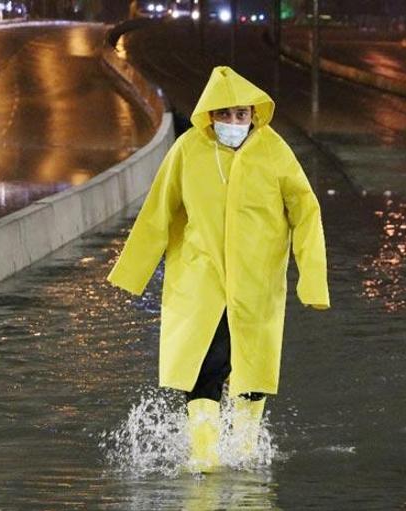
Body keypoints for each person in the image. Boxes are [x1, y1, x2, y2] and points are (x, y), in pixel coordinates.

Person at [107, 66, 330, 472]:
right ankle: (205, 456)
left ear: (253, 114)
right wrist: (132, 272)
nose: (232, 123)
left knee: (253, 371)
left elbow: (306, 212)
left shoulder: (275, 152)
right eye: (224, 114)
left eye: (240, 115)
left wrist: (312, 280)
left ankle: (244, 453)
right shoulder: (188, 150)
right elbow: (159, 209)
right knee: (204, 365)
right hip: (201, 280)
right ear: (209, 114)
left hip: (256, 284)